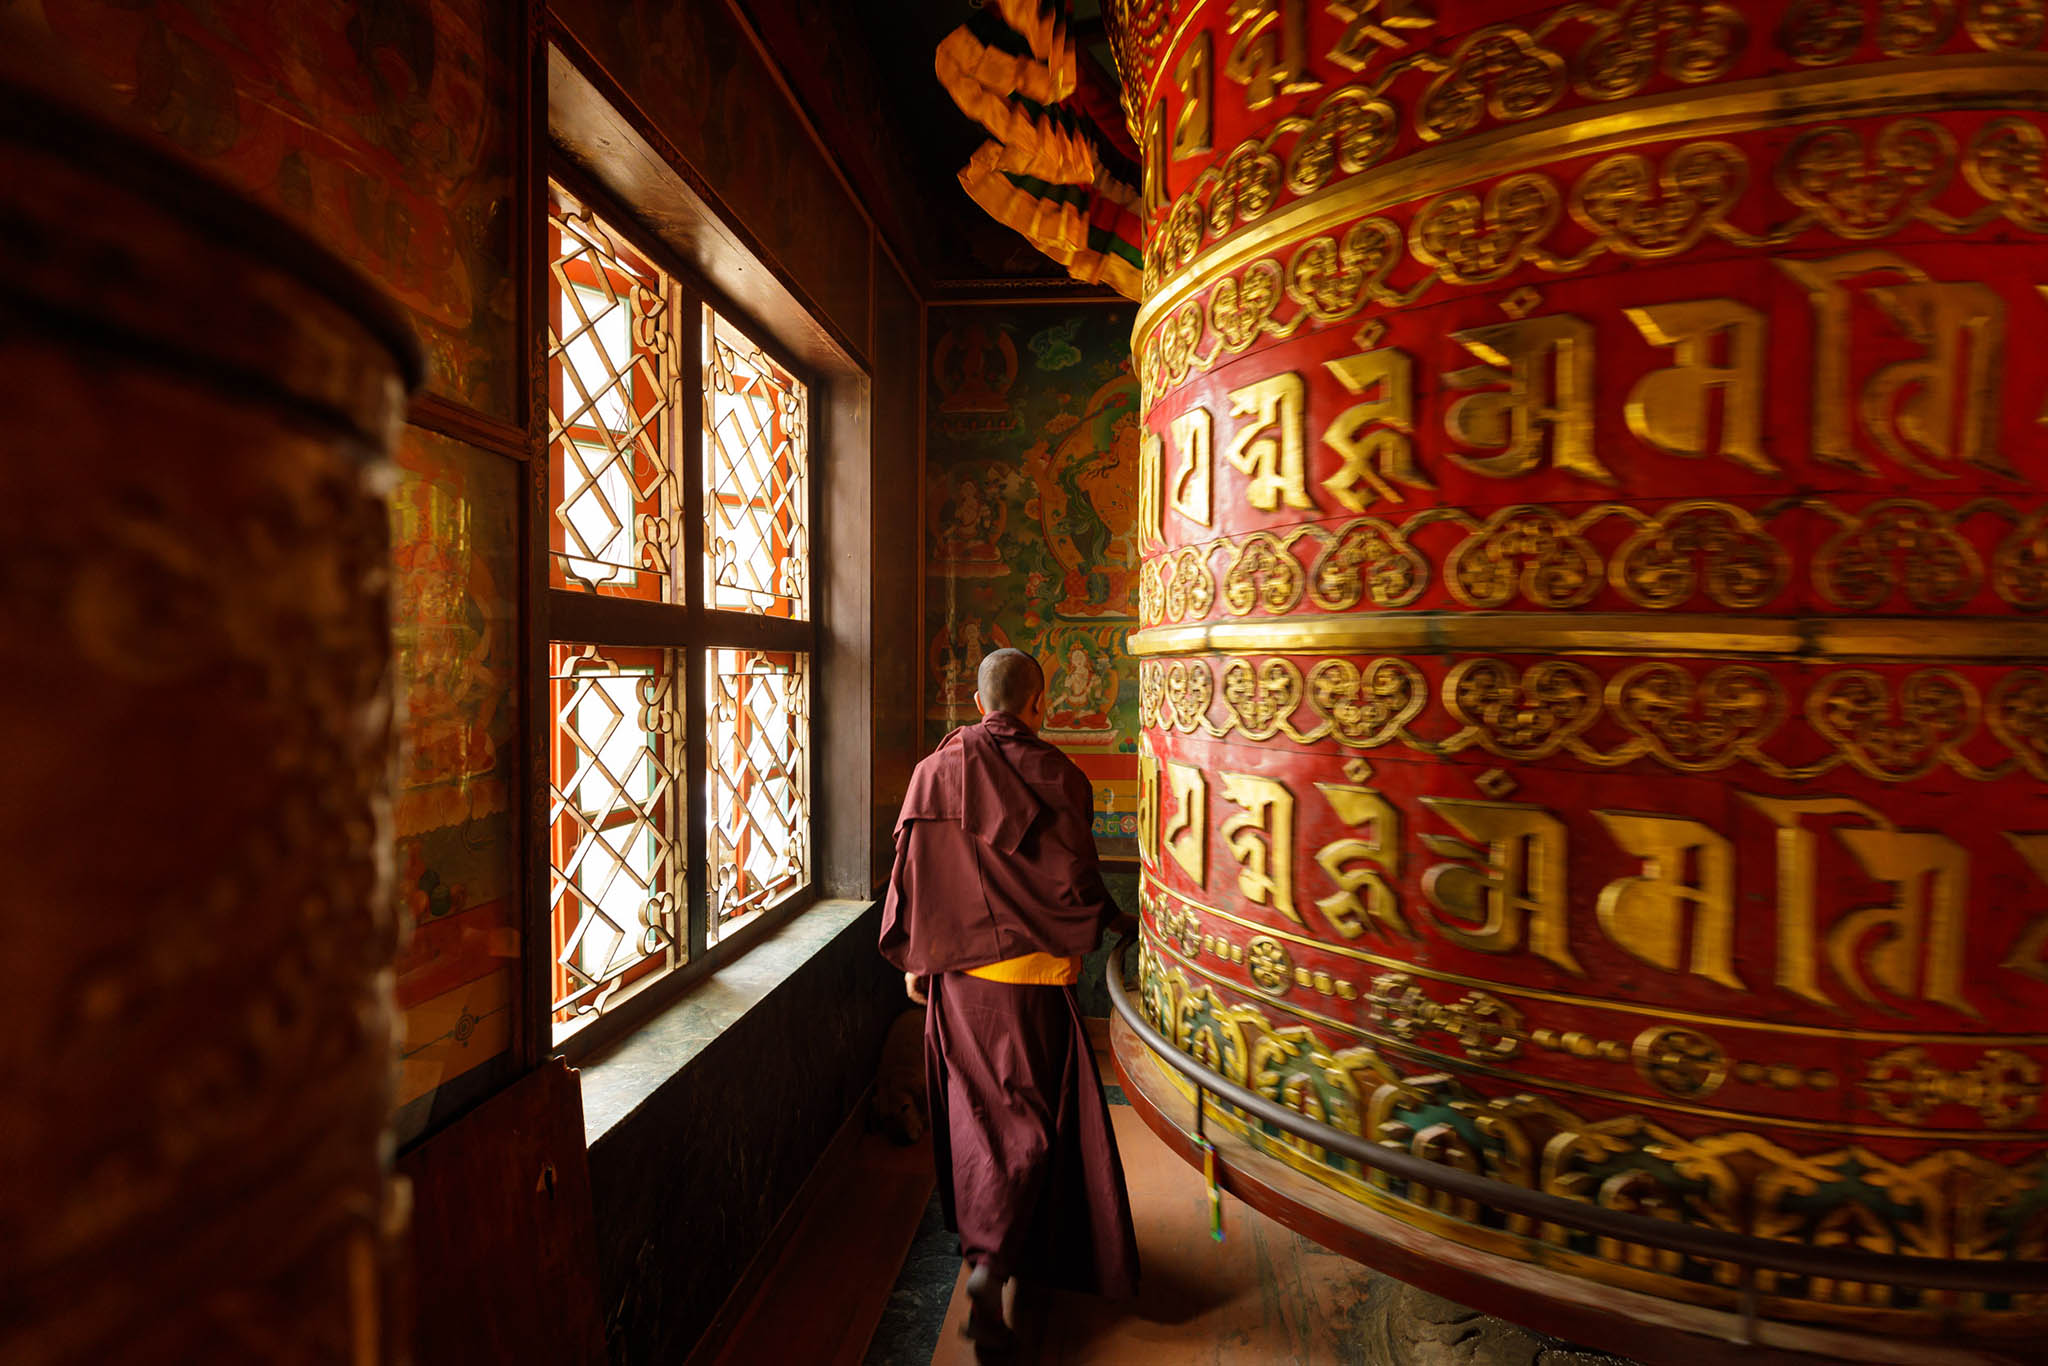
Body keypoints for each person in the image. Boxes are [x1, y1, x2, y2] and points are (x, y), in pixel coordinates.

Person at [879, 648, 1140, 1349]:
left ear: (976, 700)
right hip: (1034, 987)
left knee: (975, 1121)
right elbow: (1077, 885)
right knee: (1031, 1124)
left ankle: (993, 1249)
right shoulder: (1061, 775)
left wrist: (915, 956)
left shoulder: (933, 773)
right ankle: (997, 1260)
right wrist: (1114, 921)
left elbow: (909, 871)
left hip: (958, 985)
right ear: (1039, 703)